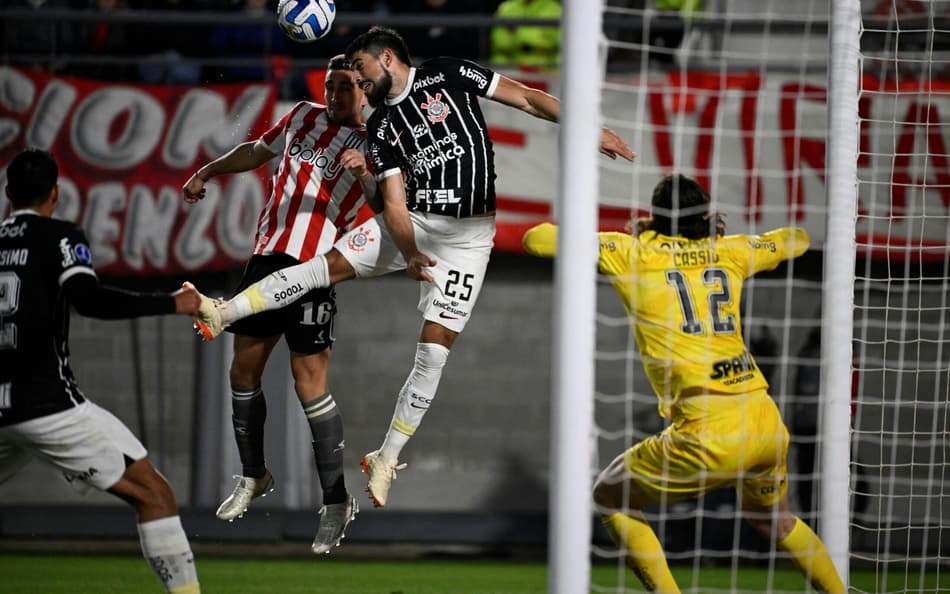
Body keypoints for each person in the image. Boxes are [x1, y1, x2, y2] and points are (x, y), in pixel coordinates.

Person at [188, 25, 635, 508]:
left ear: (385, 59)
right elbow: (395, 204)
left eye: (359, 70)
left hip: (470, 241)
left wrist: (588, 128)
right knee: (324, 267)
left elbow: (525, 98)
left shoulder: (448, 73)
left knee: (434, 353)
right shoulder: (379, 126)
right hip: (417, 223)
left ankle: (386, 457)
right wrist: (411, 251)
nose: (357, 82)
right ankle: (224, 312)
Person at [522, 174, 845, 593]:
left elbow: (535, 240)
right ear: (706, 216)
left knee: (609, 497)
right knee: (778, 522)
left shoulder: (631, 252)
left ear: (654, 217)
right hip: (763, 422)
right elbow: (797, 239)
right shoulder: (729, 251)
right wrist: (725, 236)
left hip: (706, 429)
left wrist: (633, 234)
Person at [181, 55, 379, 554]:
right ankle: (254, 474)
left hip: (315, 269)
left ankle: (335, 501)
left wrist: (370, 175)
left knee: (309, 383)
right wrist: (208, 170)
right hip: (267, 260)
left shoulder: (377, 142)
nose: (335, 95)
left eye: (346, 88)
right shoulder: (301, 117)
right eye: (330, 86)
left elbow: (387, 203)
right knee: (241, 372)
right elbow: (256, 149)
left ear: (365, 91)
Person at [0, 148, 203, 594]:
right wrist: (174, 302)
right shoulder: (60, 236)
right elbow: (89, 300)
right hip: (46, 404)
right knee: (154, 493)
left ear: (9, 193)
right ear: (56, 193)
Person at [490, 0, 562, 69]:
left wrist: (517, 31)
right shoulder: (507, 7)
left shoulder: (554, 8)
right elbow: (499, 40)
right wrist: (533, 34)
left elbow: (550, 41)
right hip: (510, 66)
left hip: (543, 69)